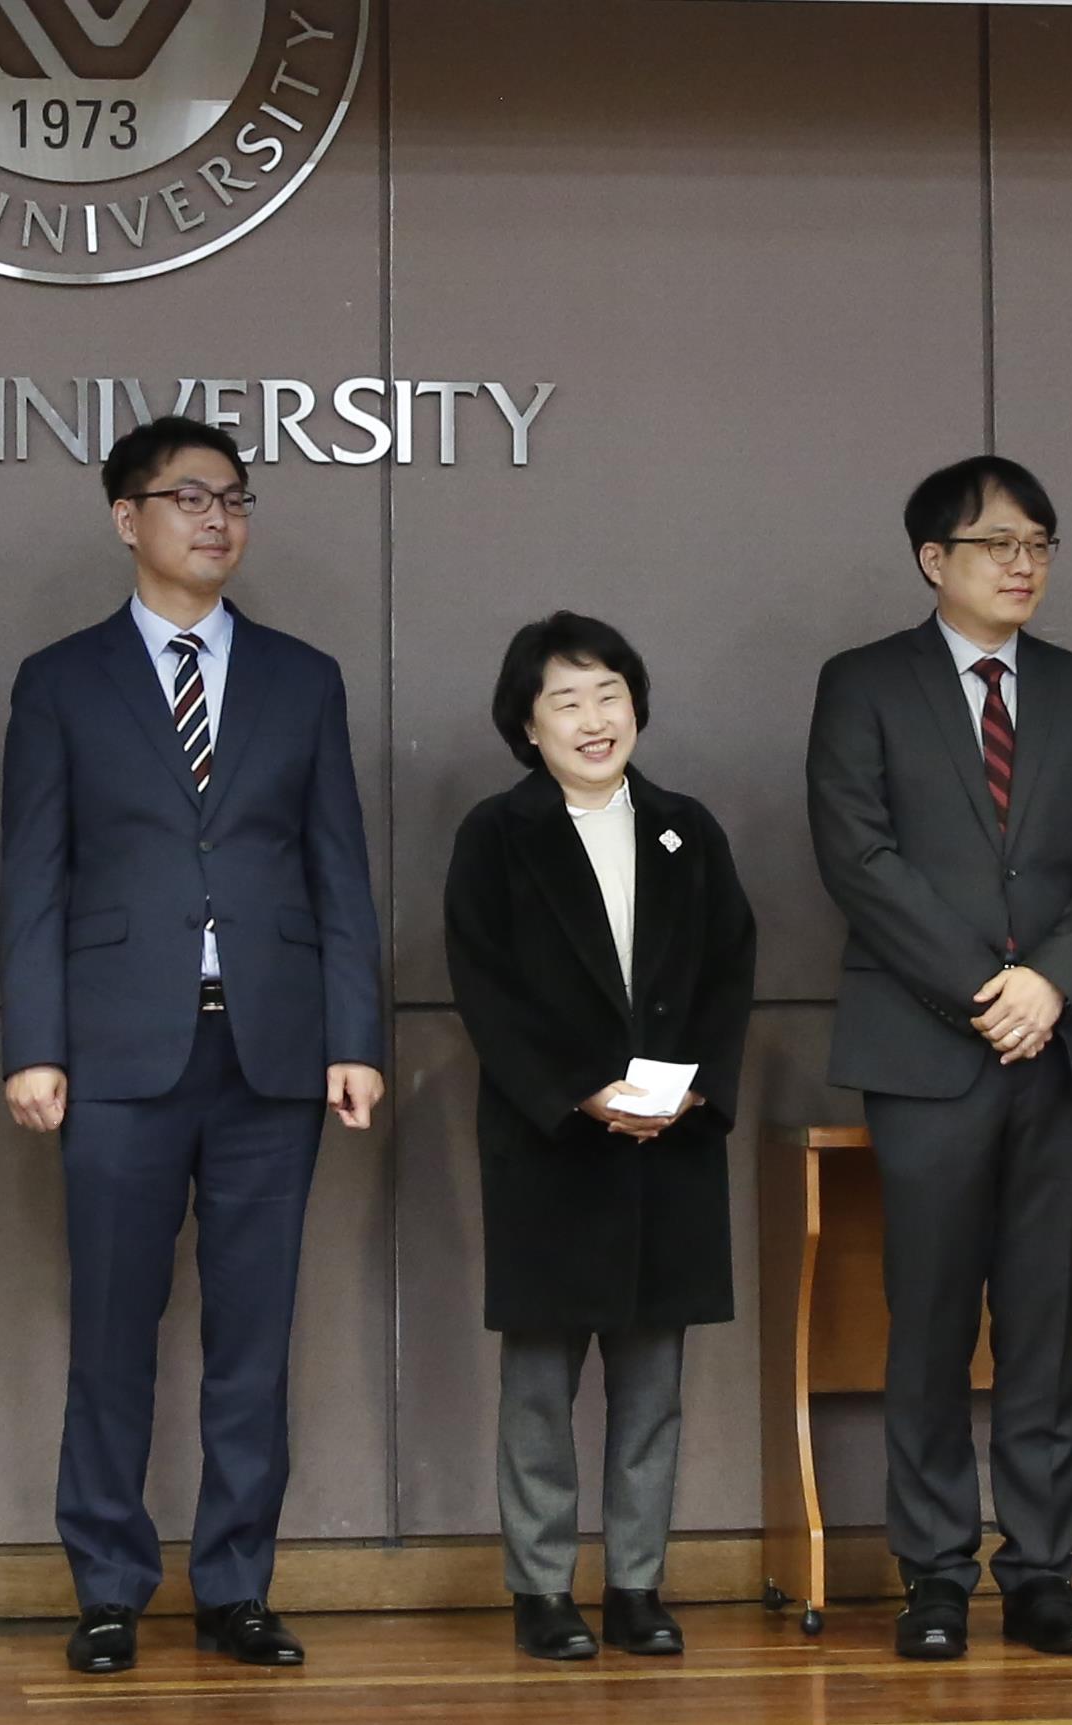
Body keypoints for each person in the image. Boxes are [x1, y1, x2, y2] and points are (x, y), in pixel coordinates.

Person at [0, 415, 385, 1675]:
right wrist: (33, 1044)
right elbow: (33, 878)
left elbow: (339, 870)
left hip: (271, 1050)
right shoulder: (59, 679)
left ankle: (236, 1587)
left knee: (254, 1337)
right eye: (186, 497)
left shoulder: (303, 675)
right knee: (111, 1329)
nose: (216, 518)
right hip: (113, 1052)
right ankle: (108, 1586)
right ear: (126, 518)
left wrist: (356, 1035)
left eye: (233, 497)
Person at [805, 455, 1072, 1660]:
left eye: (1040, 544)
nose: (1023, 564)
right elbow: (858, 858)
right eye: (998, 543)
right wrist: (981, 991)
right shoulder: (862, 686)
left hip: (1065, 1051)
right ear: (931, 559)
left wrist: (1049, 982)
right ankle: (935, 1575)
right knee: (931, 1322)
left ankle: (1044, 1571)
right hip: (927, 1052)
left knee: (1049, 1326)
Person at [443, 613, 755, 1661]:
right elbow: (482, 987)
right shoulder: (498, 833)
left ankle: (635, 1586)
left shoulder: (685, 827)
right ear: (526, 725)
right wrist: (578, 1092)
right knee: (539, 1384)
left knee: (653, 1386)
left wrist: (691, 1091)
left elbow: (727, 972)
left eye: (609, 693)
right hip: (550, 1146)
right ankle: (540, 1590)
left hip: (667, 1143)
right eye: (566, 700)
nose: (593, 718)